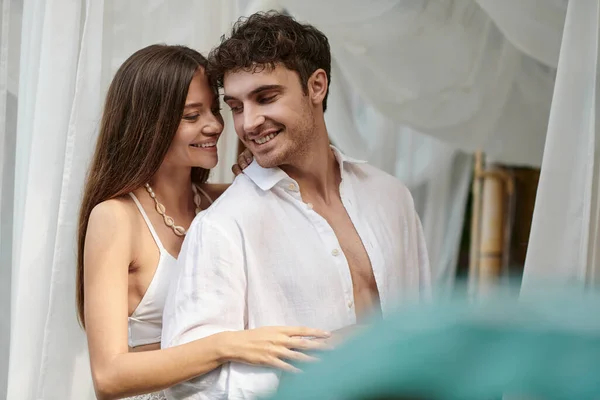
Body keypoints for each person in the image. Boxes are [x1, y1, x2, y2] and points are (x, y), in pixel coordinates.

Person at [161, 11, 431, 400]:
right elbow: (189, 385)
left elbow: (420, 324)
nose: (249, 123)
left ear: (316, 86)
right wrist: (320, 366)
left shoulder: (391, 197)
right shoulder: (224, 226)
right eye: (236, 106)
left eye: (266, 97)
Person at [76, 44, 330, 400]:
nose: (215, 126)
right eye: (192, 116)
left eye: (215, 110)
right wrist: (227, 344)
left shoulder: (226, 202)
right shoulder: (116, 218)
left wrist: (258, 168)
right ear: (150, 124)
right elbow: (108, 377)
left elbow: (311, 192)